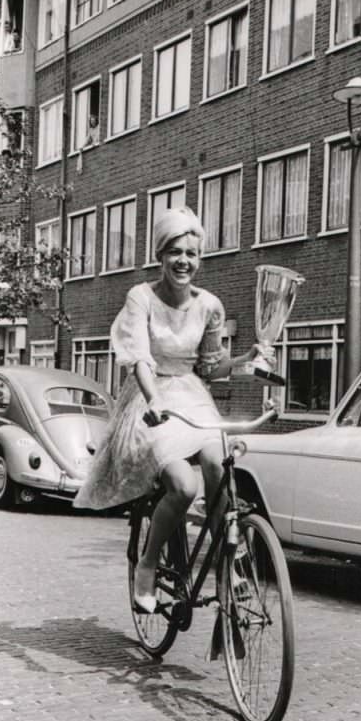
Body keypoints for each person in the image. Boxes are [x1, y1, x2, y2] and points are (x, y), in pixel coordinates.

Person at [74, 206, 269, 613]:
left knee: (219, 467)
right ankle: (147, 565)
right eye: (175, 252)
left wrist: (246, 357)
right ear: (161, 255)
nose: (184, 261)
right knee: (183, 486)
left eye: (192, 254)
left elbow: (210, 367)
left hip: (192, 395)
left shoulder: (209, 305)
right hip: (150, 399)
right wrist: (154, 400)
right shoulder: (140, 298)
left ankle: (228, 567)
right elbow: (140, 358)